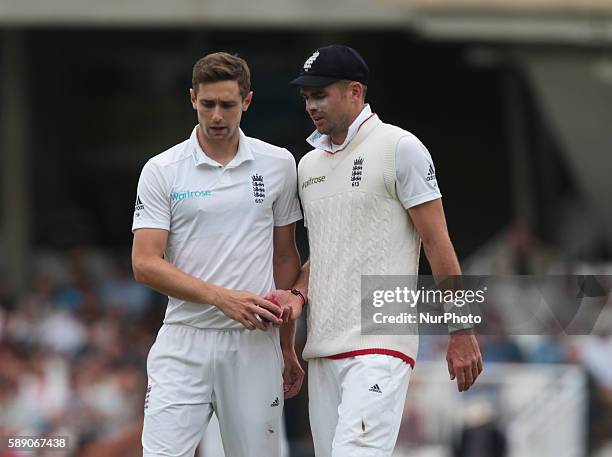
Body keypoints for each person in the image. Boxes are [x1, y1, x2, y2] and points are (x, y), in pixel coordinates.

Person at [268, 45, 484, 457]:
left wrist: (461, 329)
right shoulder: (308, 166)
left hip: (381, 343)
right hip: (323, 349)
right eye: (306, 97)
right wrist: (296, 299)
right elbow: (326, 253)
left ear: (354, 92)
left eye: (320, 94)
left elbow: (438, 241)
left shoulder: (400, 147)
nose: (311, 105)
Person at [131, 52, 305, 457]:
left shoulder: (279, 164)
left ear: (246, 101)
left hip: (254, 343)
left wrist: (285, 345)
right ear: (192, 98)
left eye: (227, 104)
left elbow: (284, 259)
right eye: (207, 104)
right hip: (183, 339)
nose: (216, 116)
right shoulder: (162, 169)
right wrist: (220, 298)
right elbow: (144, 264)